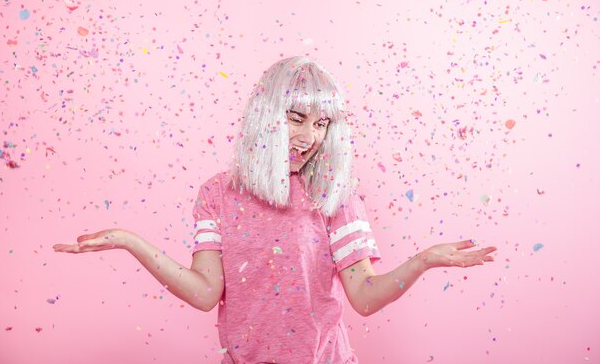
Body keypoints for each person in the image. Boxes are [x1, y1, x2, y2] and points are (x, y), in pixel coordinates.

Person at [54, 56, 497, 364]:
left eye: (321, 123)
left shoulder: (333, 195)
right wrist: (130, 242)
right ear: (265, 115)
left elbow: (363, 298)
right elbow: (205, 293)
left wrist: (424, 261)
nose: (309, 136)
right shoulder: (218, 194)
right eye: (296, 118)